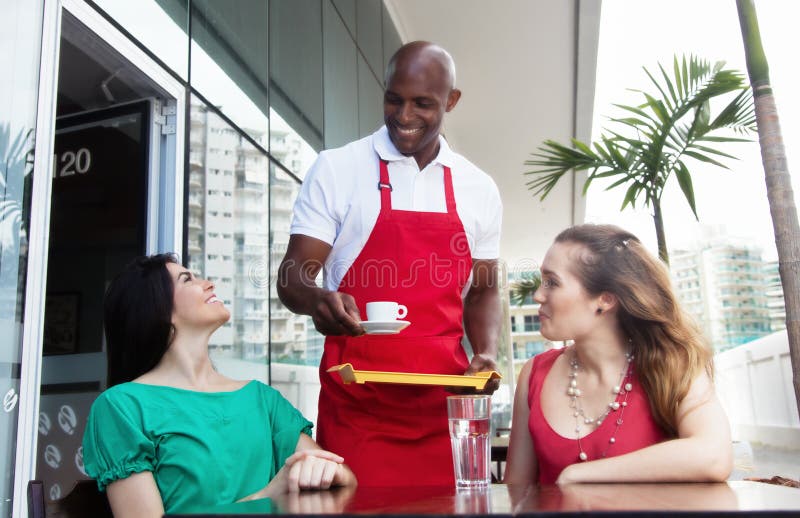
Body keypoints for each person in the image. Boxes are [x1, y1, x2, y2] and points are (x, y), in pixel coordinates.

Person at [277, 41, 503, 486]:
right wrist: (317, 299)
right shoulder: (337, 168)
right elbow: (293, 275)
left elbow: (485, 289)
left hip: (443, 408)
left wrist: (487, 353)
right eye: (393, 99)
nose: (403, 116)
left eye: (423, 104)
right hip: (359, 406)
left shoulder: (480, 188)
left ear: (451, 102)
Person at [82, 254, 355, 517]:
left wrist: (332, 472)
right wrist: (270, 494)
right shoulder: (122, 407)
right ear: (156, 309)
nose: (208, 283)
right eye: (187, 279)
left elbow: (342, 481)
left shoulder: (262, 399)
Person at [504, 224, 733, 485]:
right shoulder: (534, 374)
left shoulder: (672, 362)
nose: (538, 295)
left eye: (552, 283)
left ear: (605, 299)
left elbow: (714, 456)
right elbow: (516, 494)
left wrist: (577, 475)